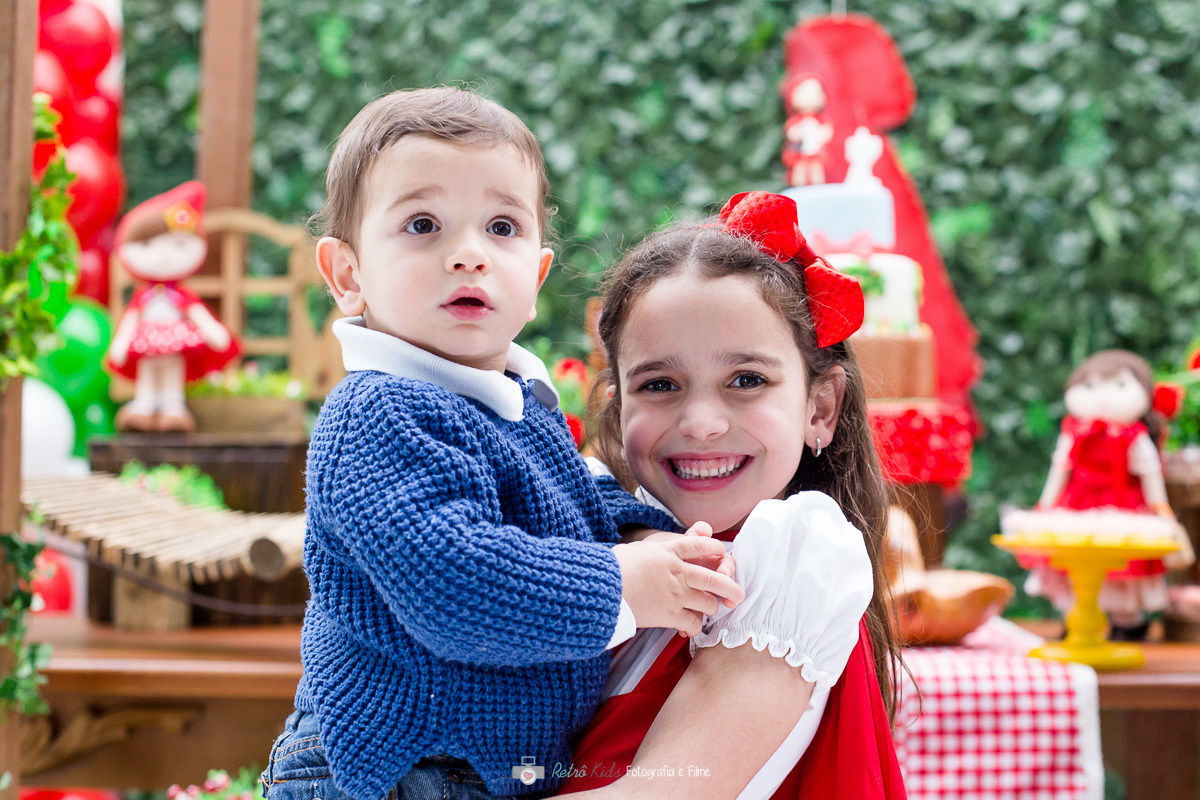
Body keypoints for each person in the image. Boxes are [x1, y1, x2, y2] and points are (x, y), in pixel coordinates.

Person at [258, 87, 745, 800]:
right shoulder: (379, 413)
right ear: (348, 275)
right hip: (395, 769)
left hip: (487, 767)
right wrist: (626, 583)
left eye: (502, 227)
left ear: (537, 277)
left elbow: (574, 496)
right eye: (423, 224)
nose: (468, 255)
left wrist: (644, 528)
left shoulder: (517, 402)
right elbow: (453, 581)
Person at [556, 191, 906, 799]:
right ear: (618, 406)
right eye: (660, 384)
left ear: (820, 407)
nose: (701, 422)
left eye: (746, 380)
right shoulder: (599, 542)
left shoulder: (797, 561)